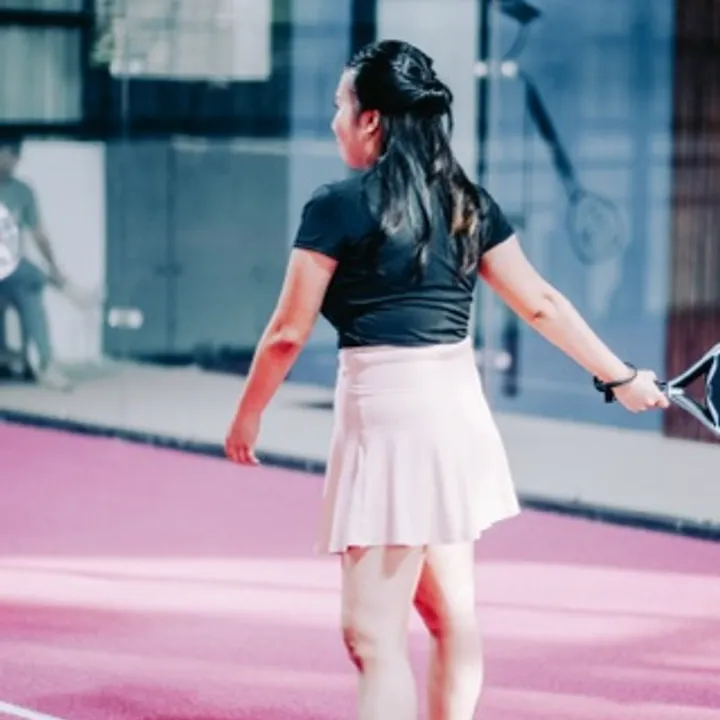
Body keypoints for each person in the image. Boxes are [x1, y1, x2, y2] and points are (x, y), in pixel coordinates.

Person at [225, 40, 669, 720]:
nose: (333, 121)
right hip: (456, 415)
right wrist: (623, 378)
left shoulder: (336, 206)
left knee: (372, 636)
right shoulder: (469, 203)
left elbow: (287, 331)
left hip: (390, 420)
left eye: (340, 106)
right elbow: (542, 303)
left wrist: (247, 414)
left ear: (372, 119)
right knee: (449, 615)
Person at [0, 135, 72, 390]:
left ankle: (47, 363)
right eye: (5, 154)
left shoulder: (23, 191)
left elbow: (38, 233)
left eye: (13, 156)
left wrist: (53, 266)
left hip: (13, 269)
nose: (9, 161)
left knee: (31, 288)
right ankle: (6, 357)